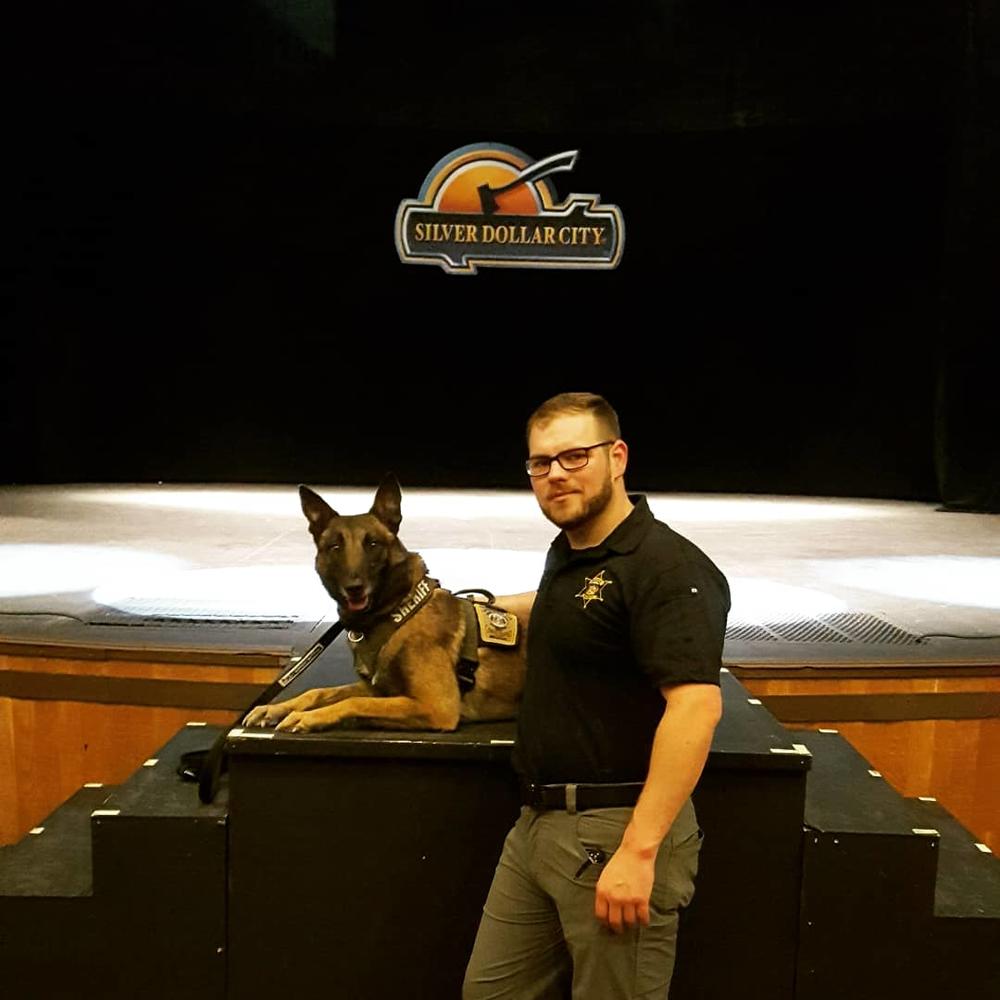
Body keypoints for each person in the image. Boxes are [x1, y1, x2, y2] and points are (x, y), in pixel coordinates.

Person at [463, 392, 730, 1000]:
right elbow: (572, 614)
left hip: (616, 832)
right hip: (536, 828)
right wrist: (465, 613)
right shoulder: (572, 552)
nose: (555, 474)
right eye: (540, 463)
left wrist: (639, 852)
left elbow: (696, 707)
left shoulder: (668, 568)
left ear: (618, 457)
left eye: (574, 456)